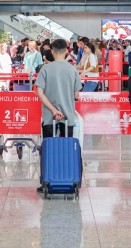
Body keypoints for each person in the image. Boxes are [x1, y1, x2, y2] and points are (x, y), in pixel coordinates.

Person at [35, 39, 82, 192]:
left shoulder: (45, 69)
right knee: (68, 147)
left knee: (47, 148)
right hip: (68, 117)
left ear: (52, 52)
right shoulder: (73, 70)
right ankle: (70, 178)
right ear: (67, 51)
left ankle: (46, 181)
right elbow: (76, 96)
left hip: (49, 116)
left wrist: (54, 110)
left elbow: (39, 92)